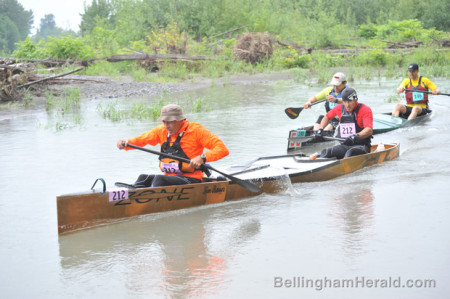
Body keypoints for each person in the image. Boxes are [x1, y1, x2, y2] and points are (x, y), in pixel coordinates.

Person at [117, 104, 229, 188]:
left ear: (180, 120)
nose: (166, 126)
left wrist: (203, 158)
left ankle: (145, 202)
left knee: (159, 179)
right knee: (143, 177)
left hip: (191, 179)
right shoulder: (161, 131)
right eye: (164, 122)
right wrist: (127, 142)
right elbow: (141, 140)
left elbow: (222, 149)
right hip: (168, 178)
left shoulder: (196, 131)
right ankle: (128, 196)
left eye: (170, 122)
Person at [315, 87, 373, 159]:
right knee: (326, 152)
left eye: (350, 101)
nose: (347, 104)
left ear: (355, 100)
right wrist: (321, 129)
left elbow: (369, 130)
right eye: (345, 101)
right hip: (344, 145)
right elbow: (326, 117)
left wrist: (355, 136)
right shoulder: (339, 108)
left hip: (361, 146)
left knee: (350, 153)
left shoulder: (365, 109)